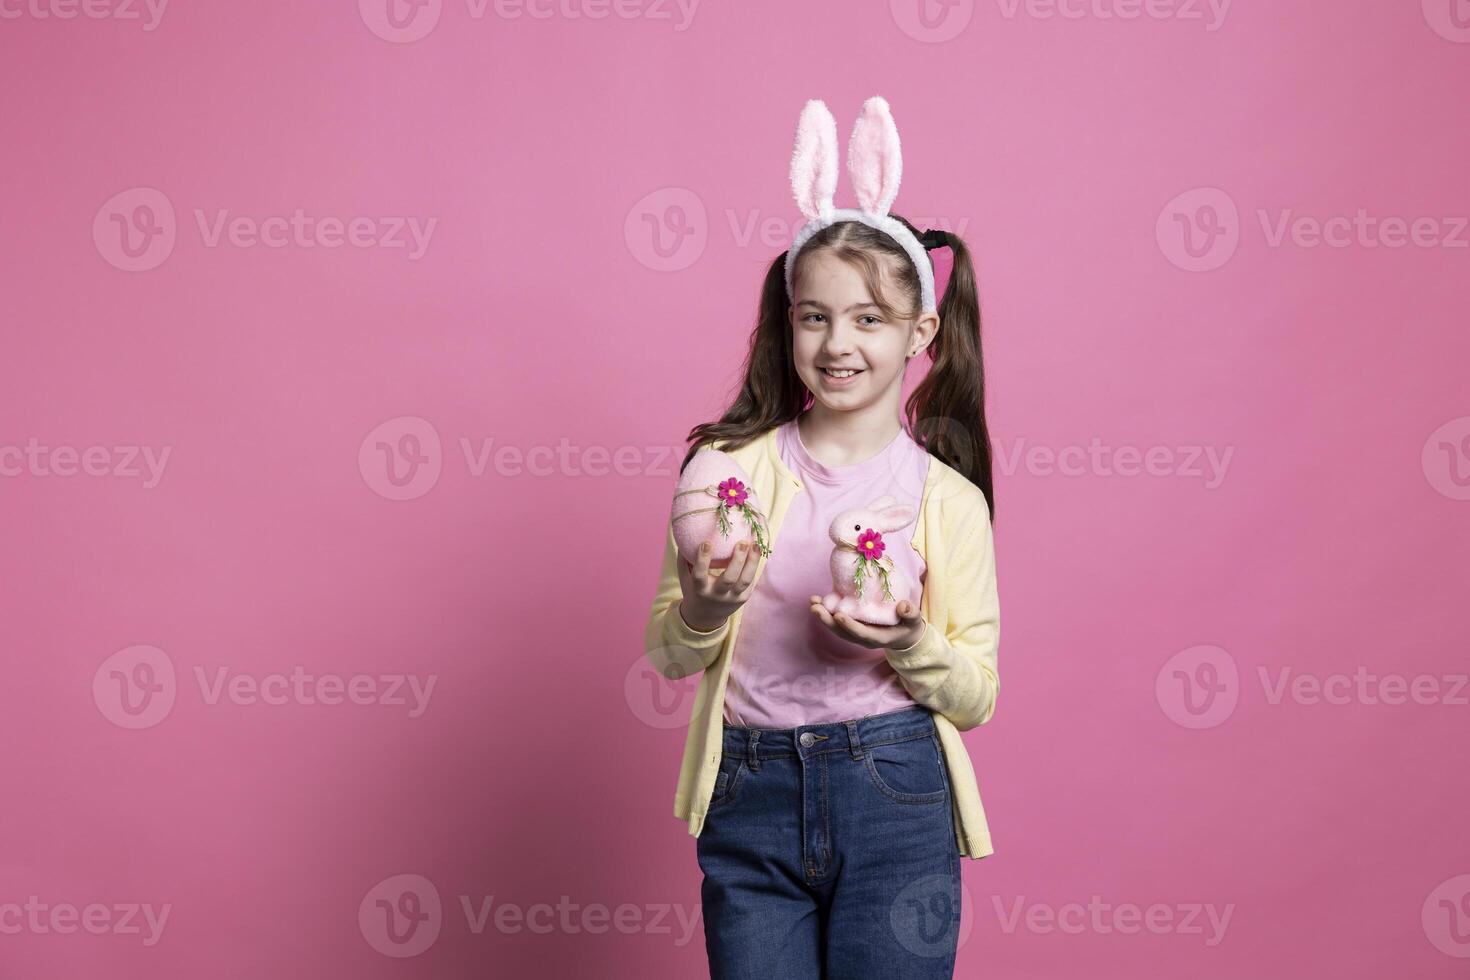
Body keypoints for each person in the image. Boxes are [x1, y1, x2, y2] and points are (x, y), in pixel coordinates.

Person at [643, 96, 1000, 979]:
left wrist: (913, 640)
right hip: (748, 794)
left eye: (869, 319)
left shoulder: (946, 500)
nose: (838, 343)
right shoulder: (723, 474)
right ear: (788, 323)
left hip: (895, 794)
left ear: (920, 334)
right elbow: (668, 652)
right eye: (815, 315)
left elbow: (976, 695)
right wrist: (701, 605)